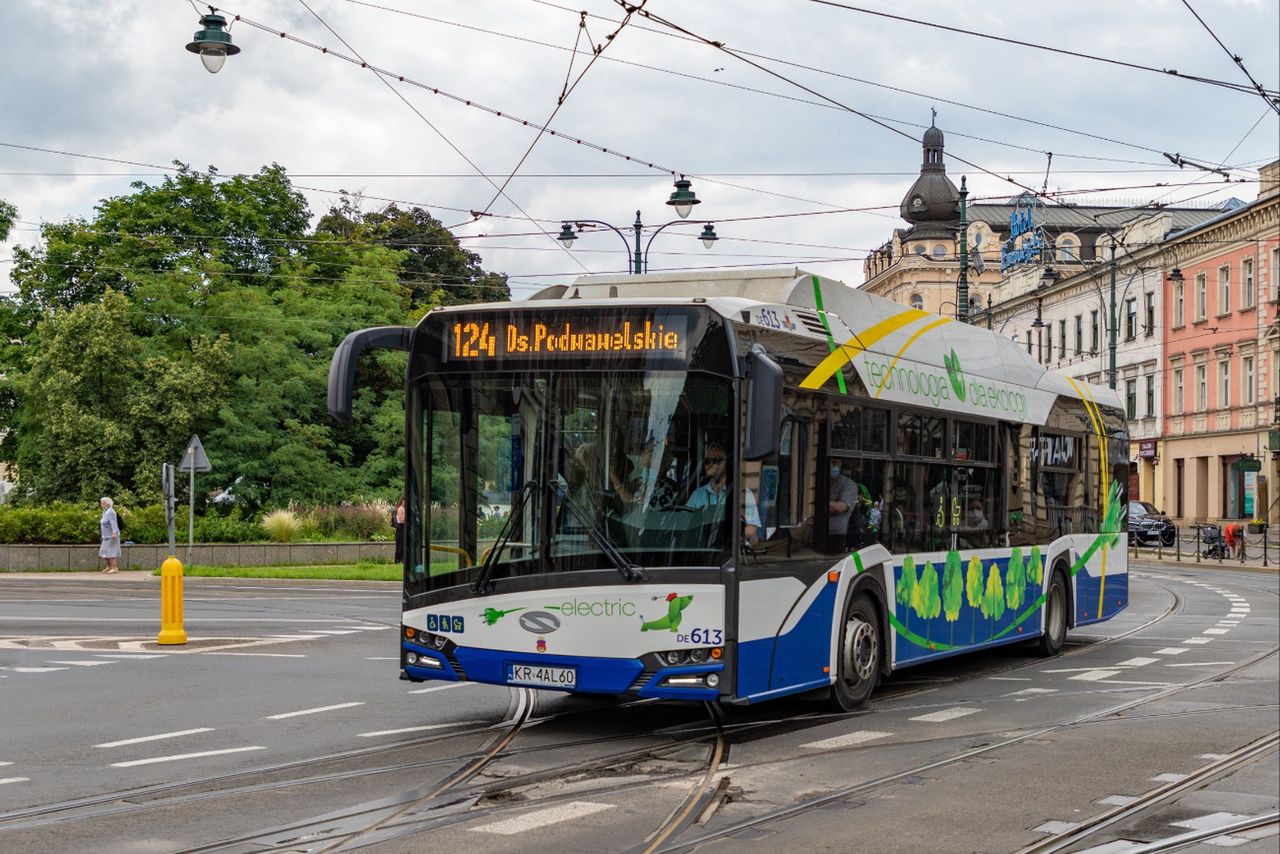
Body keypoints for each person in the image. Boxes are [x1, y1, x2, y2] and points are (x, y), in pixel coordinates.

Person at [687, 441, 760, 545]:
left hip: (727, 554)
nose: (711, 465)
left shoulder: (744, 494)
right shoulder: (697, 495)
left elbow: (751, 531)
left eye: (716, 460)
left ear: (728, 463)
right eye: (707, 461)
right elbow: (685, 526)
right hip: (700, 554)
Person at [827, 461, 858, 553]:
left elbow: (840, 507)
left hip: (837, 536)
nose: (833, 466)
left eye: (835, 463)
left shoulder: (848, 484)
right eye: (831, 462)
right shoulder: (824, 480)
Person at [99, 497, 121, 573]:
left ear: (108, 504)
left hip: (112, 535)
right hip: (105, 535)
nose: (101, 505)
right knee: (104, 552)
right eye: (101, 503)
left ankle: (114, 568)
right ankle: (109, 566)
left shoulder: (111, 512)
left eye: (103, 503)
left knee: (112, 551)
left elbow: (113, 523)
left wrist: (114, 532)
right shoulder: (105, 512)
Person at [392, 495, 406, 563]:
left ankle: (401, 559)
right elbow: (401, 520)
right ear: (403, 501)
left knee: (402, 544)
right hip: (401, 528)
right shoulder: (401, 509)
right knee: (400, 545)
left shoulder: (402, 508)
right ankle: (398, 560)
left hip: (402, 528)